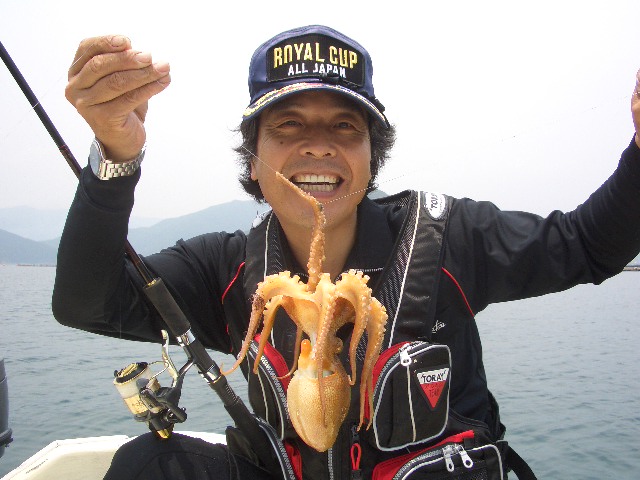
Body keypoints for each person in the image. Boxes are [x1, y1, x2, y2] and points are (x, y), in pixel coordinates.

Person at [53, 25, 640, 480]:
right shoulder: (225, 270)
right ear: (253, 162)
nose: (318, 146)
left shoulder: (449, 239)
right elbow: (88, 302)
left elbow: (587, 245)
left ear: (370, 157)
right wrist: (115, 156)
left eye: (345, 127)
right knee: (150, 465)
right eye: (287, 125)